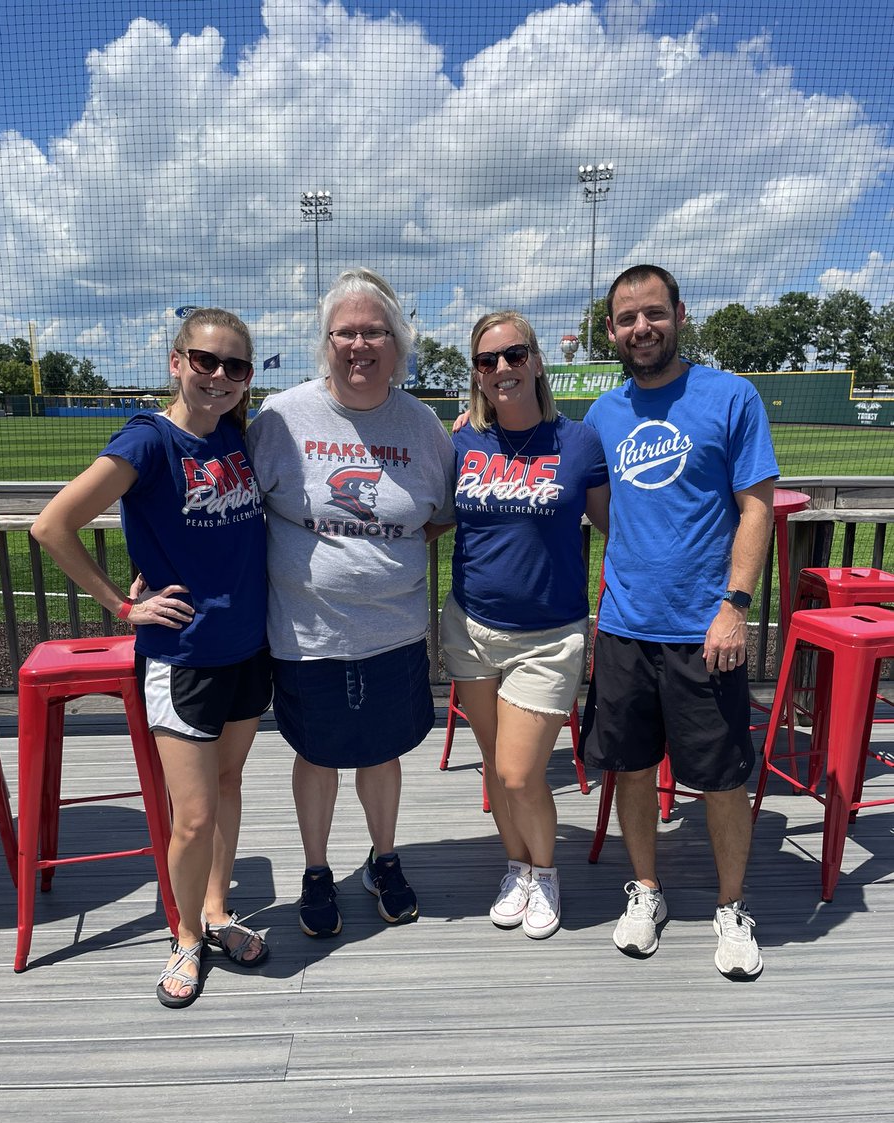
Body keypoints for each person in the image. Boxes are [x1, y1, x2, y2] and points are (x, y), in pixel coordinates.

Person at [31, 308, 272, 1008]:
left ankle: (218, 912)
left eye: (235, 367)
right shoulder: (147, 441)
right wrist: (121, 604)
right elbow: (53, 525)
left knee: (227, 788)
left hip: (246, 648)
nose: (219, 376)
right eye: (206, 361)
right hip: (183, 656)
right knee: (192, 815)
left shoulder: (234, 436)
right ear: (177, 363)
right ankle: (185, 936)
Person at [579, 264, 778, 979]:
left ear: (679, 314)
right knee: (630, 770)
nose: (641, 328)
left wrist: (737, 605)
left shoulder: (730, 396)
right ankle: (648, 890)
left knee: (722, 779)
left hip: (706, 631)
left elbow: (756, 504)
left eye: (653, 313)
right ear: (612, 330)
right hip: (626, 626)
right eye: (627, 318)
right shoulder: (605, 413)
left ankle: (731, 907)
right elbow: (594, 500)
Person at [246, 267, 455, 938]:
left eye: (375, 332)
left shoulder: (424, 427)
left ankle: (383, 858)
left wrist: (375, 552)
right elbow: (233, 505)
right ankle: (315, 869)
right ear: (326, 342)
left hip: (392, 632)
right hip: (307, 634)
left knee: (383, 752)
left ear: (398, 344)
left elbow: (438, 514)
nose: (360, 345)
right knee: (317, 754)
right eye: (347, 332)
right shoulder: (281, 417)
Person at [443, 311, 607, 939]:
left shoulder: (580, 441)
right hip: (471, 626)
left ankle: (547, 872)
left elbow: (615, 528)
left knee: (520, 772)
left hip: (549, 636)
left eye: (513, 355)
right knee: (492, 760)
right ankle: (517, 868)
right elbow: (423, 515)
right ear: (477, 376)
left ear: (537, 361)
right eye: (487, 361)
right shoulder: (461, 444)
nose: (502, 369)